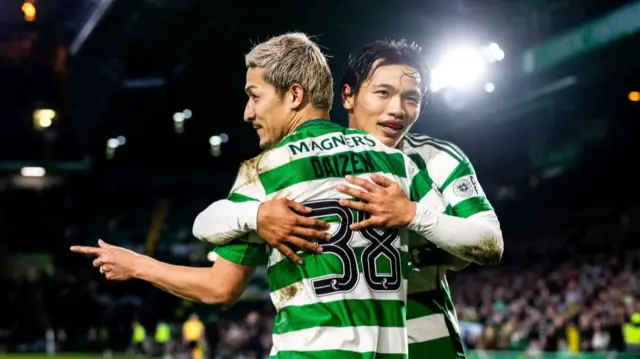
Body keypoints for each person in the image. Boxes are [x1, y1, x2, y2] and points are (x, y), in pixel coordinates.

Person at [70, 32, 448, 358]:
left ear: (294, 94)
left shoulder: (267, 169)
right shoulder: (394, 161)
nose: (248, 113)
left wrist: (136, 265)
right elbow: (460, 247)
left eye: (255, 96)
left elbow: (220, 289)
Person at [193, 40, 504, 359]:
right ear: (348, 96)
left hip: (431, 348)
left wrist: (412, 214)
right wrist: (256, 215)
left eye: (411, 98)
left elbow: (490, 242)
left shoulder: (439, 160)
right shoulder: (310, 165)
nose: (397, 109)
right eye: (383, 93)